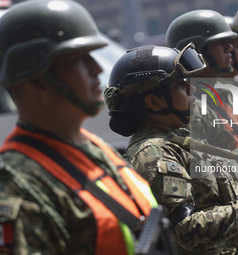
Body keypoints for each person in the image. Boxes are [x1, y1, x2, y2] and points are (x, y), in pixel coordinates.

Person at [0, 1, 157, 254]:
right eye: (79, 59)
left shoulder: (95, 146)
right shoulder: (17, 185)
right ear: (39, 79)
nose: (96, 69)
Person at [104, 43, 238, 255]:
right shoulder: (155, 154)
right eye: (180, 86)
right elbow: (187, 230)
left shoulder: (180, 138)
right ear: (154, 102)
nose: (191, 89)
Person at [166, 10, 238, 156]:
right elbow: (197, 167)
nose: (229, 48)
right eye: (219, 43)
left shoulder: (221, 95)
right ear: (196, 50)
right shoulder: (192, 107)